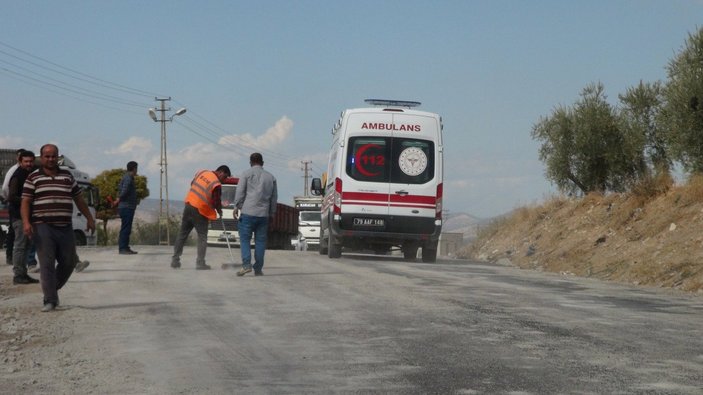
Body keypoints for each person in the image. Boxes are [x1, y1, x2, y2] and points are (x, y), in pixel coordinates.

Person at [21, 144, 95, 312]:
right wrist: (26, 222)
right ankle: (50, 300)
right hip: (42, 226)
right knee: (46, 263)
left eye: (53, 156)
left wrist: (90, 218)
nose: (50, 159)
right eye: (47, 156)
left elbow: (79, 199)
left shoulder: (67, 176)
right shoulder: (33, 178)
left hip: (65, 226)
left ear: (58, 157)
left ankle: (51, 290)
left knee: (69, 262)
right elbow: (25, 201)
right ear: (41, 157)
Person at [171, 165, 231, 270]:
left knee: (182, 234)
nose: (224, 180)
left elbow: (192, 184)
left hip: (189, 205)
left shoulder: (202, 172)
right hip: (200, 210)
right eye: (225, 177)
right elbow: (216, 201)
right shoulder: (216, 184)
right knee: (202, 237)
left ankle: (175, 260)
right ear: (221, 172)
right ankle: (200, 263)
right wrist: (219, 210)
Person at [234, 153, 277, 277]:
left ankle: (247, 266)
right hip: (263, 214)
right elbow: (274, 198)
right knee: (260, 242)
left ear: (250, 162)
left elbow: (240, 192)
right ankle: (258, 269)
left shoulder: (246, 174)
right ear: (262, 163)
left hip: (248, 212)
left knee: (245, 240)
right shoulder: (271, 177)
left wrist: (237, 206)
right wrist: (272, 213)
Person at [8, 149, 39, 284]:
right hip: (18, 216)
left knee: (27, 245)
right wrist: (27, 201)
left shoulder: (31, 173)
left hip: (28, 215)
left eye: (31, 161)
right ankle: (18, 275)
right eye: (26, 161)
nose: (29, 164)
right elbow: (11, 196)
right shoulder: (17, 175)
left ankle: (23, 274)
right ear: (20, 162)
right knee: (20, 245)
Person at [2, 148, 26, 265]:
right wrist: (10, 199)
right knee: (14, 233)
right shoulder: (14, 171)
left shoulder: (25, 171)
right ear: (18, 158)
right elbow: (5, 188)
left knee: (14, 233)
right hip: (16, 206)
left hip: (18, 205)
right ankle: (11, 257)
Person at [114, 161, 139, 255]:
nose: (137, 171)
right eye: (136, 168)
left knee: (127, 227)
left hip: (127, 207)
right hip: (126, 207)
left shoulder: (127, 177)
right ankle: (123, 248)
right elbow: (124, 191)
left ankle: (125, 247)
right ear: (134, 168)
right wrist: (118, 200)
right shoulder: (128, 178)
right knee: (126, 228)